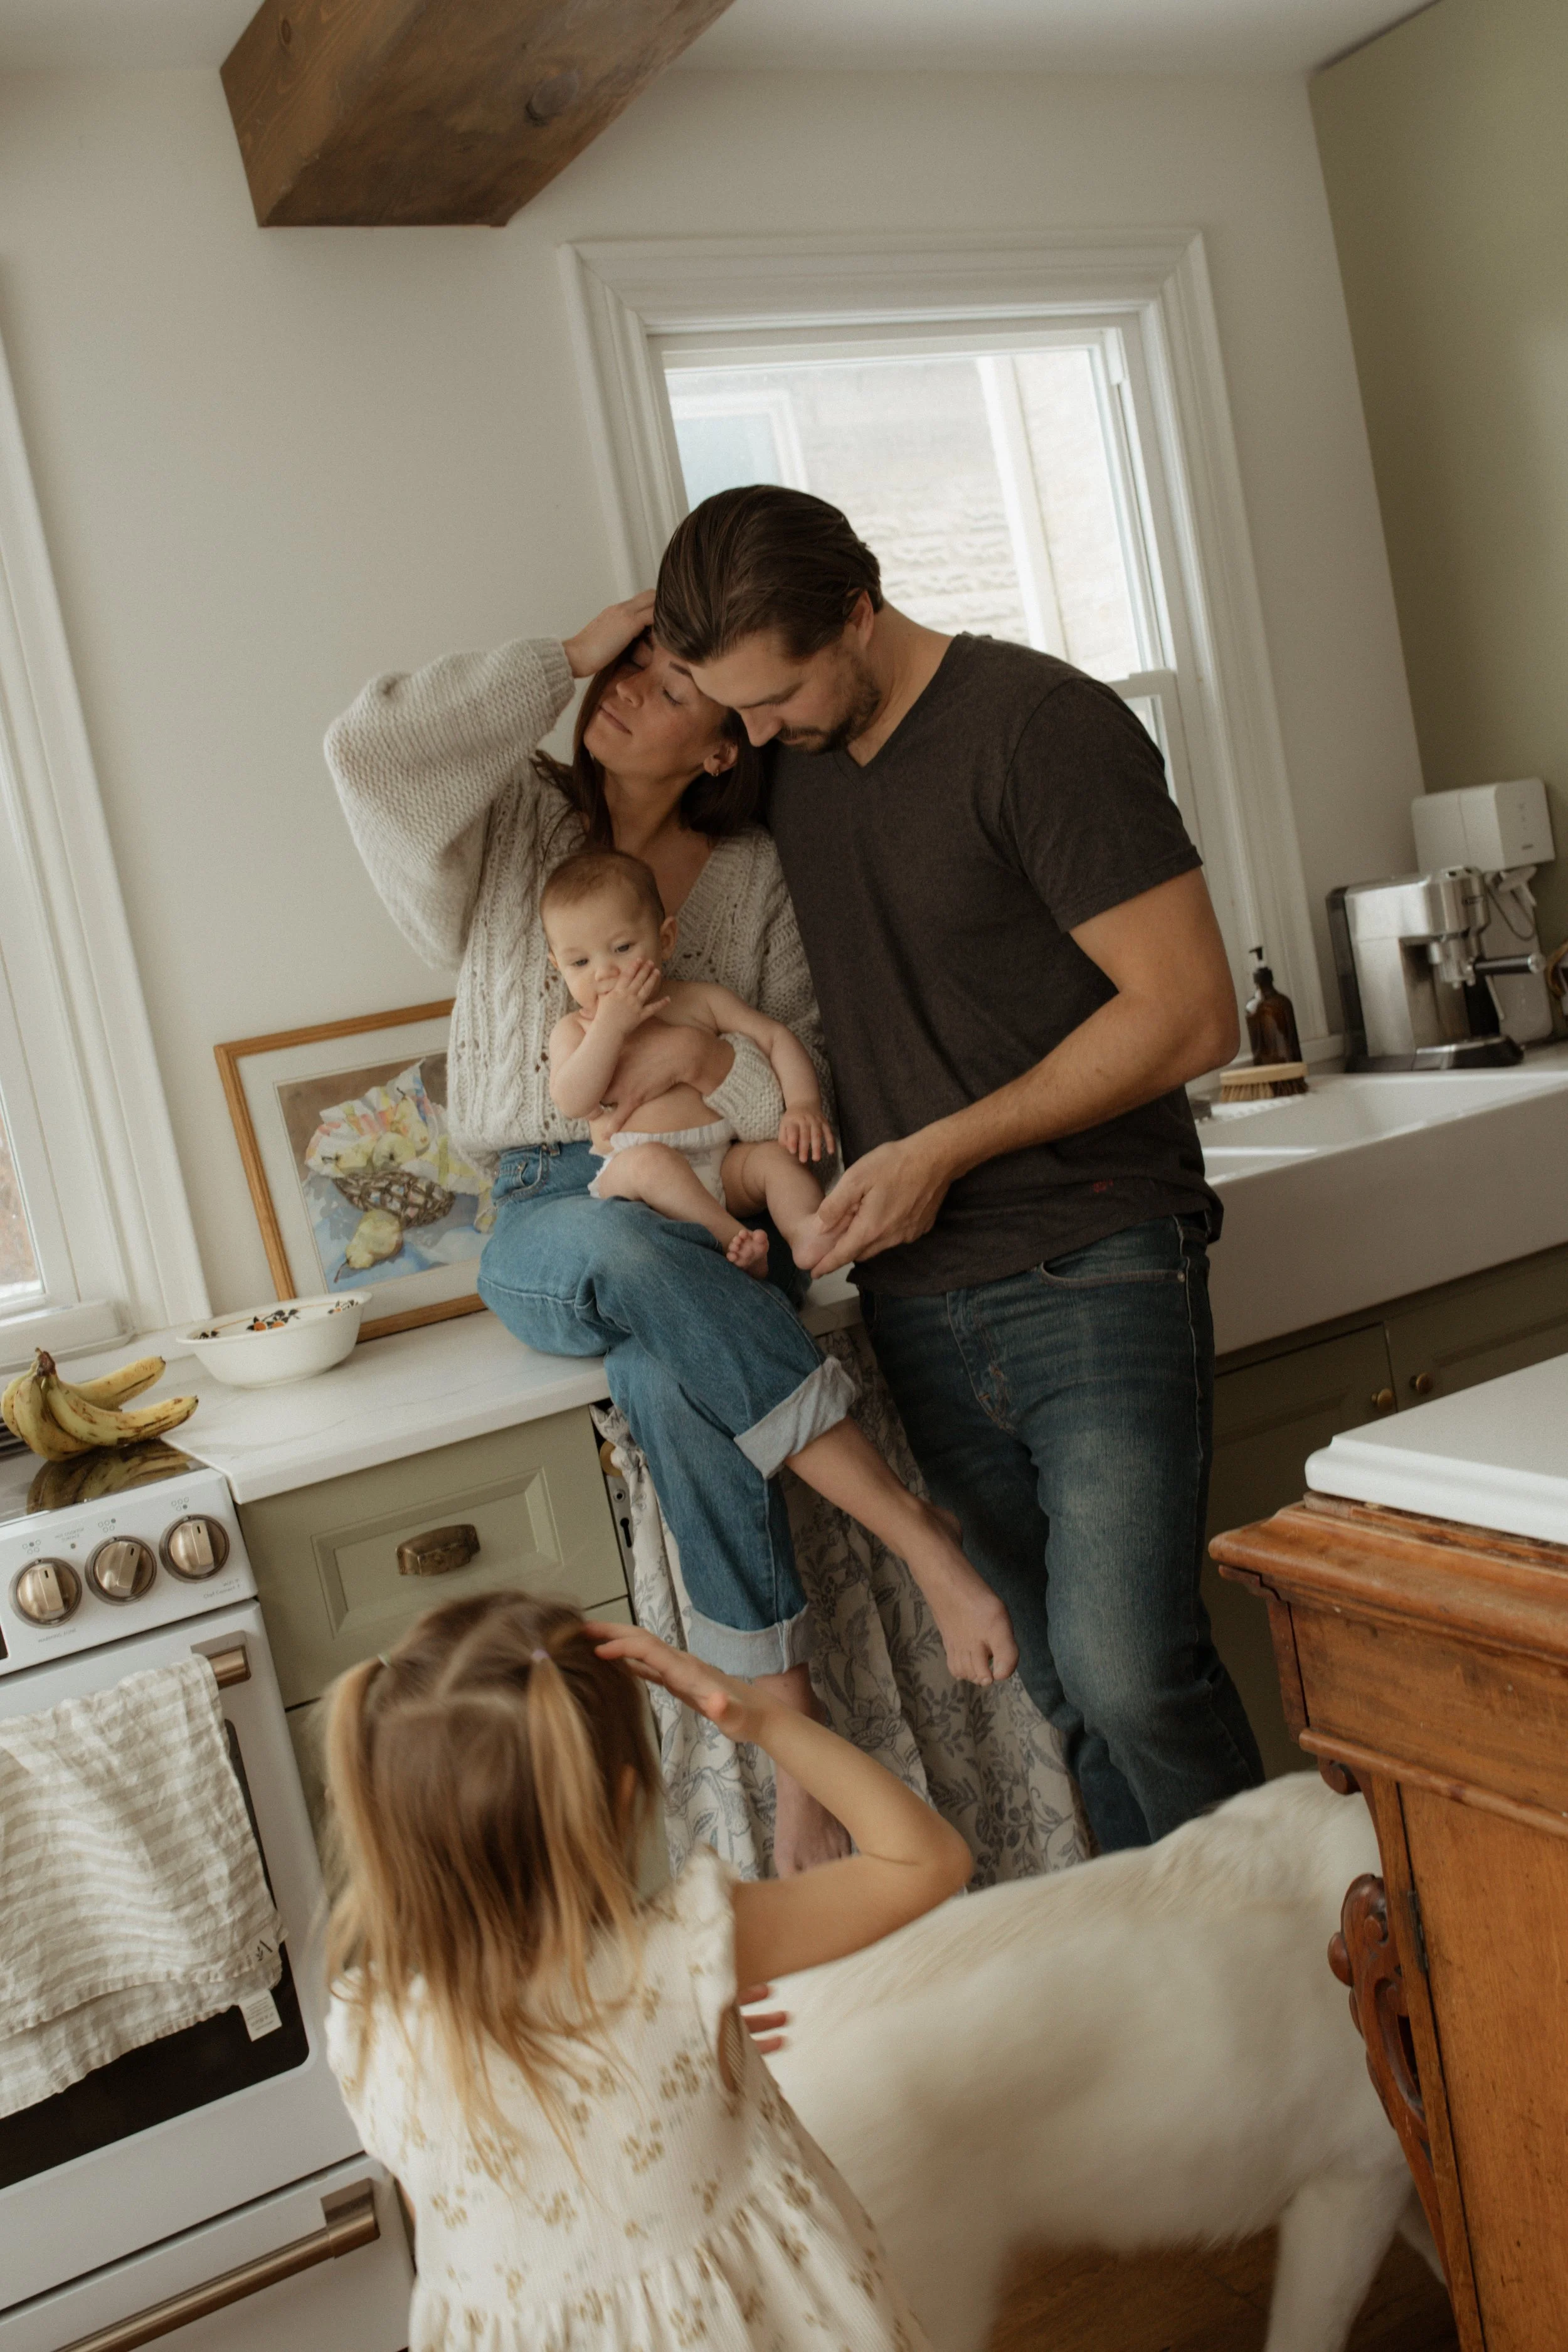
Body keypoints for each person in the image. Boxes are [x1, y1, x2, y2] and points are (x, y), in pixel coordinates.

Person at [326, 604, 1010, 1872]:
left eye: (668, 675)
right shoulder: (515, 826)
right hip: (545, 1207)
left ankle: (793, 1754)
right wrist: (564, 655)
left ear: (721, 743)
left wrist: (700, 1085)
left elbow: (787, 1062)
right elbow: (368, 753)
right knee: (625, 1256)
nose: (634, 685)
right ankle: (918, 1536)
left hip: (711, 1205)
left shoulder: (751, 874)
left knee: (660, 1370)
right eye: (631, 662)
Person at [654, 485, 1265, 1852]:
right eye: (731, 707)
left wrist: (941, 1147)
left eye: (778, 695)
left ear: (860, 610)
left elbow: (1186, 1013)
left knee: (1129, 1674)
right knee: (1062, 1689)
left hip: (1094, 1255)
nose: (752, 739)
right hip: (919, 1293)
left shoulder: (1038, 729)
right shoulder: (786, 748)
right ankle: (1177, 1995)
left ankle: (1313, 1969)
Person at [322, 1589, 971, 2352]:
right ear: (626, 1794)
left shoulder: (367, 2031)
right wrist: (752, 1714)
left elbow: (458, 2221)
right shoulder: (693, 1948)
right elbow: (925, 1859)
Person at [541, 846, 835, 1277]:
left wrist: (803, 1104)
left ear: (665, 940)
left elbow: (774, 1038)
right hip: (637, 1176)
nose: (604, 973)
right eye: (580, 962)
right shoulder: (577, 1030)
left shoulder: (699, 1001)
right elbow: (571, 1099)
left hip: (721, 1160)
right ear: (558, 967)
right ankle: (732, 1238)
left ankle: (804, 1230)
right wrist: (610, 1029)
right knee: (652, 1163)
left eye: (622, 948)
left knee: (777, 1161)